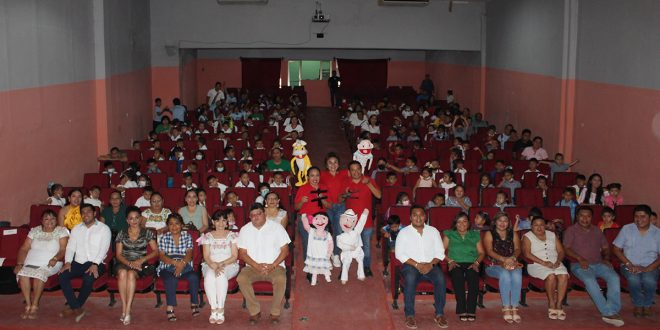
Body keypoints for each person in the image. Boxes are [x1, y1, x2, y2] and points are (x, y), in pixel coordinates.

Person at [563, 206, 624, 326]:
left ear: (592, 218)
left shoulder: (597, 230)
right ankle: (607, 312)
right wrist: (580, 258)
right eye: (582, 215)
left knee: (614, 278)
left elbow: (606, 248)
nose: (585, 218)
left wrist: (606, 259)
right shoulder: (571, 230)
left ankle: (613, 310)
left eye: (588, 216)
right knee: (590, 280)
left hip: (599, 263)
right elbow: (566, 248)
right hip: (579, 264)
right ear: (577, 217)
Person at [237, 204, 291, 325]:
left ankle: (275, 312)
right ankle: (254, 311)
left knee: (281, 278)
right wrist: (256, 265)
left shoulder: (277, 228)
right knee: (241, 278)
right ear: (249, 217)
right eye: (253, 215)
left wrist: (273, 265)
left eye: (259, 214)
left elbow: (285, 250)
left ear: (265, 214)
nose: (256, 217)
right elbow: (242, 253)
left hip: (275, 266)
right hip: (252, 266)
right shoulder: (245, 230)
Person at [395, 205, 448, 329]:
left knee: (440, 278)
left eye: (421, 215)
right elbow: (399, 254)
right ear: (410, 217)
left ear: (425, 216)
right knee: (410, 279)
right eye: (415, 215)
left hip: (431, 265)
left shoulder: (433, 231)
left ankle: (439, 313)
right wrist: (417, 265)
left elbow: (440, 252)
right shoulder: (403, 232)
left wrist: (431, 264)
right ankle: (409, 315)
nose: (418, 218)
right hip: (411, 266)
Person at [58, 203, 111, 322]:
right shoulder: (76, 229)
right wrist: (67, 262)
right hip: (78, 262)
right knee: (62, 275)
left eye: (88, 211)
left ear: (95, 213)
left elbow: (104, 248)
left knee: (88, 278)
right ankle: (77, 308)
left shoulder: (103, 228)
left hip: (97, 262)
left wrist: (95, 264)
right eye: (83, 212)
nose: (85, 214)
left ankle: (74, 307)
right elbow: (70, 247)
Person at [15, 210, 69, 319]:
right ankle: (28, 305)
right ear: (41, 221)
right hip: (31, 262)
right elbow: (24, 248)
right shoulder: (35, 231)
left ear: (56, 220)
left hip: (51, 263)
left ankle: (35, 305)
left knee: (39, 274)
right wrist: (20, 263)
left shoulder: (61, 231)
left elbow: (63, 249)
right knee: (23, 274)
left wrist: (56, 258)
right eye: (46, 219)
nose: (50, 221)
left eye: (53, 218)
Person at [612, 204, 660, 318]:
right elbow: (616, 249)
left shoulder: (657, 232)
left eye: (643, 217)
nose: (639, 220)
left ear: (649, 217)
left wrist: (649, 268)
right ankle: (638, 304)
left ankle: (647, 304)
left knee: (649, 281)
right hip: (629, 264)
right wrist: (629, 264)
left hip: (650, 266)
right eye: (636, 216)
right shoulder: (626, 229)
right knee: (633, 280)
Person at [113, 206, 158, 325]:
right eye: (131, 219)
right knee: (123, 273)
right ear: (127, 220)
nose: (134, 221)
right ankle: (124, 308)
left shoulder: (147, 232)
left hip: (140, 263)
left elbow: (155, 251)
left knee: (131, 274)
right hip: (123, 262)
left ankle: (127, 311)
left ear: (140, 218)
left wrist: (142, 260)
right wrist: (129, 263)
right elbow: (118, 255)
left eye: (137, 218)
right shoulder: (121, 233)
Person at [522, 217, 569, 321]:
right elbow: (527, 253)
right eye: (536, 225)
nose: (539, 227)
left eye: (542, 225)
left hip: (555, 262)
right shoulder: (527, 236)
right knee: (551, 276)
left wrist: (558, 261)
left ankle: (559, 304)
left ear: (545, 225)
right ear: (531, 226)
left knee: (563, 275)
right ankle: (551, 303)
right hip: (536, 264)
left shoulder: (552, 235)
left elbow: (561, 251)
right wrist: (544, 263)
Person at [157, 213, 200, 322]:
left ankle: (194, 303)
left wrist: (181, 265)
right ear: (167, 226)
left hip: (184, 265)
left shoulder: (187, 236)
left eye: (177, 224)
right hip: (167, 266)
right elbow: (162, 256)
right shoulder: (164, 237)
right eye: (171, 224)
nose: (174, 226)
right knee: (171, 279)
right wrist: (175, 263)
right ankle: (170, 308)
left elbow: (189, 254)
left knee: (194, 277)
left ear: (181, 225)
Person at [443, 212, 484, 322]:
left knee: (473, 276)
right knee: (457, 276)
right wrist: (450, 261)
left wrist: (476, 263)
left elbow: (481, 253)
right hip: (454, 262)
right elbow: (441, 252)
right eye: (459, 221)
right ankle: (461, 309)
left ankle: (471, 310)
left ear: (469, 223)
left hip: (472, 262)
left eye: (464, 221)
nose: (462, 224)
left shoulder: (475, 234)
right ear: (455, 223)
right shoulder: (449, 234)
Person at [483, 212, 523, 323]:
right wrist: (504, 260)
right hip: (493, 265)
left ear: (509, 223)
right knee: (505, 274)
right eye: (500, 220)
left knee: (517, 274)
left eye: (505, 221)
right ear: (495, 222)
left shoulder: (513, 233)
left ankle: (514, 307)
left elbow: (518, 249)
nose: (502, 223)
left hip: (512, 262)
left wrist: (513, 258)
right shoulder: (489, 233)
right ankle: (506, 307)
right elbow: (489, 251)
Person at [344, 161, 382, 277]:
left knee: (366, 245)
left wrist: (369, 184)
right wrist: (344, 194)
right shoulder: (346, 182)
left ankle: (366, 267)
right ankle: (345, 268)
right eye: (353, 170)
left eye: (358, 169)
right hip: (349, 222)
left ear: (361, 169)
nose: (356, 172)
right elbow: (339, 199)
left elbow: (379, 195)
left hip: (366, 221)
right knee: (347, 246)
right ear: (349, 172)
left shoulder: (369, 180)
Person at [201, 211, 239, 325]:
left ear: (227, 222)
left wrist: (220, 264)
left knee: (221, 275)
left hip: (229, 264)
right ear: (213, 222)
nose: (221, 223)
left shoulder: (232, 235)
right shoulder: (207, 236)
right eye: (217, 220)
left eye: (223, 220)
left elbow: (234, 256)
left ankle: (221, 309)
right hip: (210, 264)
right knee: (209, 277)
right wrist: (213, 265)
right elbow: (206, 256)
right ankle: (213, 309)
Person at [295, 167, 330, 263]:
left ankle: (320, 264)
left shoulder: (324, 187)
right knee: (308, 243)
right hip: (306, 219)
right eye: (312, 175)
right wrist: (302, 202)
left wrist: (322, 199)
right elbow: (296, 207)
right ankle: (309, 267)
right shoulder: (303, 188)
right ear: (308, 177)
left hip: (321, 220)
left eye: (317, 175)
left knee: (321, 243)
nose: (315, 178)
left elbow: (329, 205)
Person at [320, 152, 349, 268]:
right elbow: (315, 187)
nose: (333, 164)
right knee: (326, 231)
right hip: (327, 206)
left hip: (340, 206)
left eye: (335, 162)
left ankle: (336, 254)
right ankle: (327, 254)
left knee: (338, 231)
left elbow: (357, 172)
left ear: (339, 164)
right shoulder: (322, 175)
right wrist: (323, 201)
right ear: (326, 165)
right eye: (330, 162)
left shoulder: (343, 173)